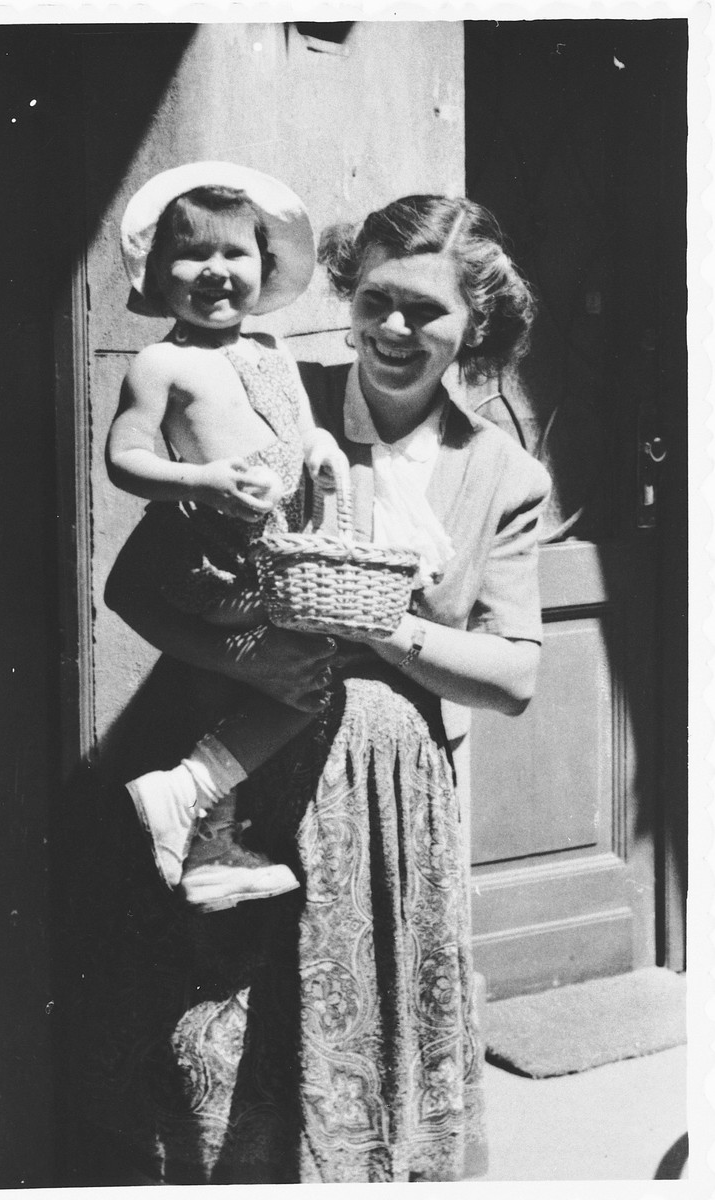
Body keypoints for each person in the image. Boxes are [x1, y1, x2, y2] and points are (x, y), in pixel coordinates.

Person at [75, 192, 551, 1183]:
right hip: (249, 791)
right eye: (375, 300)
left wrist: (388, 626)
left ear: (474, 327)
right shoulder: (273, 401)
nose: (391, 330)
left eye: (426, 312)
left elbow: (513, 675)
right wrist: (247, 659)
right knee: (232, 1058)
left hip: (385, 805)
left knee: (367, 1060)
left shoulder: (498, 469)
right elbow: (132, 586)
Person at [109, 162, 350, 911]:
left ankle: (208, 838)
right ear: (154, 273)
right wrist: (200, 481)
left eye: (235, 254)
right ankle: (189, 797)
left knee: (268, 683)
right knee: (299, 678)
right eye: (192, 254)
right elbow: (126, 456)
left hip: (282, 552)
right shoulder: (163, 362)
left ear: (265, 266)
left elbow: (298, 427)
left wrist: (321, 448)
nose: (215, 271)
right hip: (220, 557)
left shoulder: (271, 350)